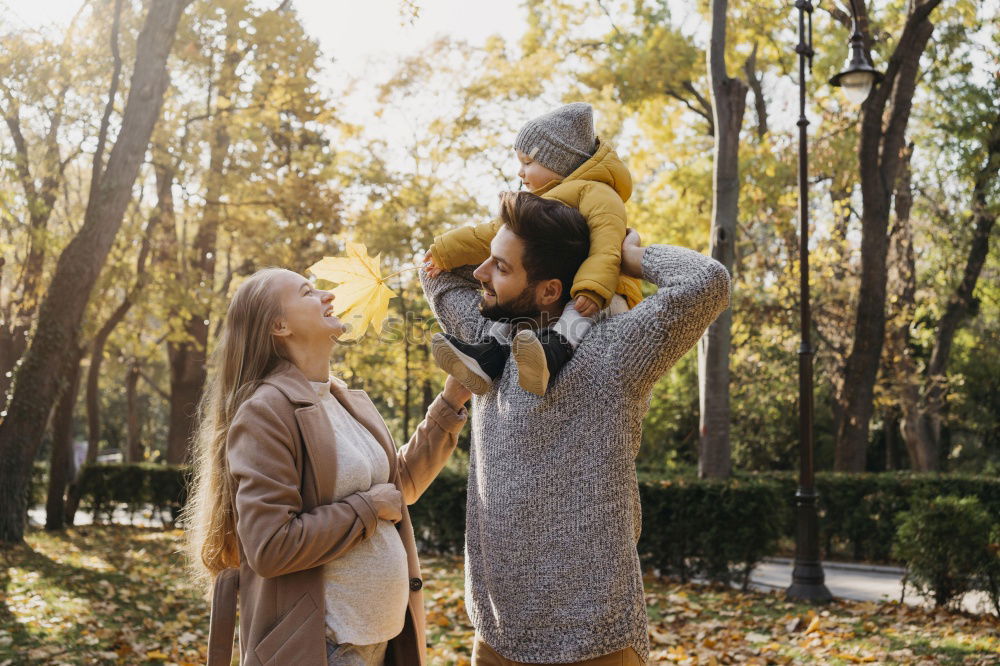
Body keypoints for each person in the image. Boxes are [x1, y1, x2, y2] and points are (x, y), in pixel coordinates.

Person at [419, 192, 731, 665]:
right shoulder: (486, 346)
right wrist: (509, 229)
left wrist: (624, 257)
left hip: (594, 641)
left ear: (549, 290)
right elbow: (435, 269)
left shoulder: (615, 352)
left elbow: (708, 281)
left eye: (500, 267)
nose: (481, 273)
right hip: (496, 636)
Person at [184, 267, 471, 666]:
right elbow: (271, 546)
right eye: (307, 292)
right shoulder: (265, 411)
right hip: (325, 647)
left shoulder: (344, 399)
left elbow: (397, 489)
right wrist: (368, 509)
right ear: (279, 325)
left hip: (384, 639)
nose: (327, 295)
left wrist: (451, 402)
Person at [423, 102, 643, 396]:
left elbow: (606, 246)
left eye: (528, 163)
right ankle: (489, 355)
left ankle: (556, 349)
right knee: (515, 296)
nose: (520, 172)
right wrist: (445, 250)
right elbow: (493, 234)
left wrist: (592, 288)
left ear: (561, 163)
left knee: (576, 309)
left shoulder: (599, 194)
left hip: (605, 291)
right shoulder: (544, 200)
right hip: (562, 284)